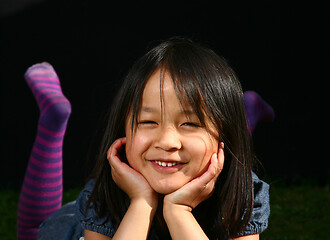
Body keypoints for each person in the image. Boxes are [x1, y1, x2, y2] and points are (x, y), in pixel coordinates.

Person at [18, 37, 270, 240]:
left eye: (190, 123)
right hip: (77, 226)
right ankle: (52, 125)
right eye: (148, 121)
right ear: (123, 129)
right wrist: (140, 202)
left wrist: (178, 211)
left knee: (223, 153)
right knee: (35, 230)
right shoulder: (104, 195)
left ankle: (244, 111)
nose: (168, 141)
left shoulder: (242, 191)